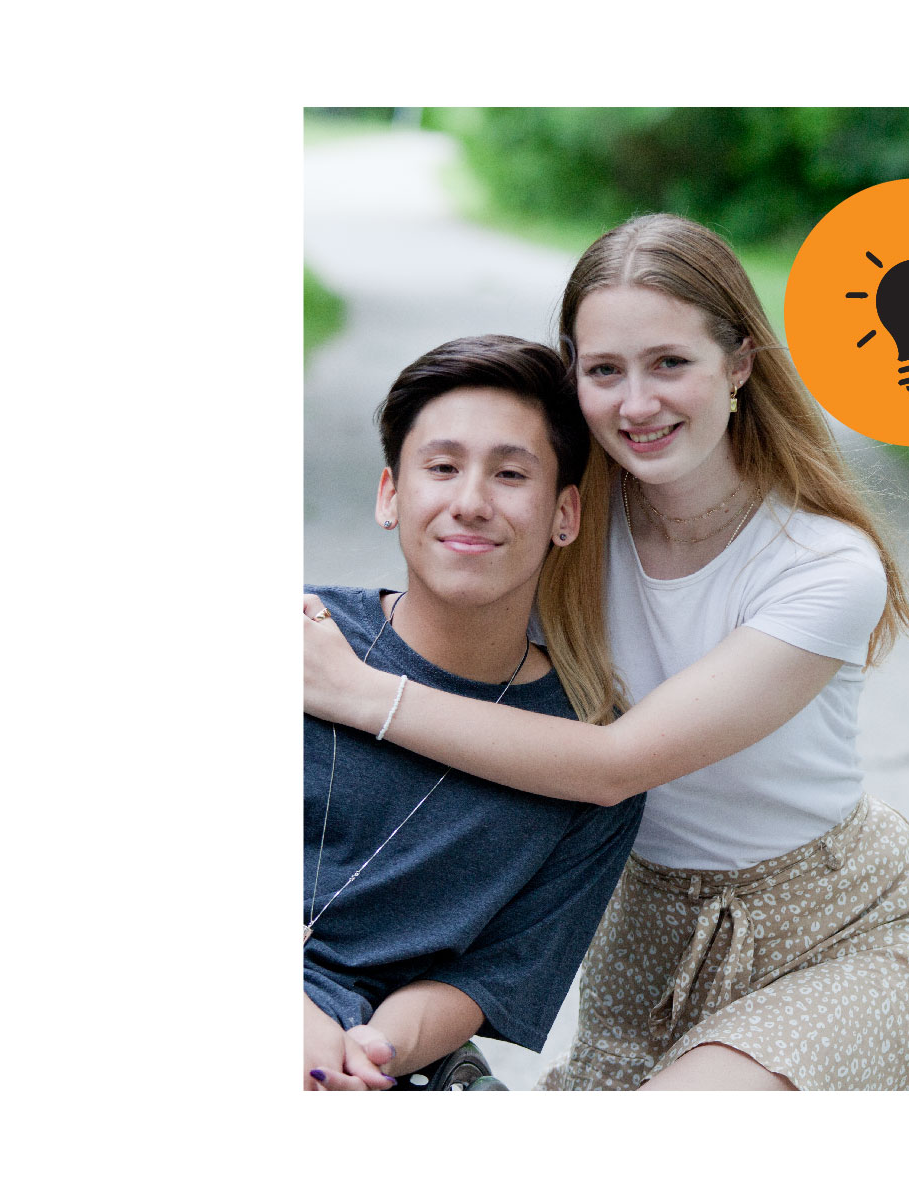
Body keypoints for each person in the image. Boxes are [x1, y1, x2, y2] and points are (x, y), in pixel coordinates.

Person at [304, 214, 909, 1091]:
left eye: (670, 363)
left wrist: (360, 693)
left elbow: (615, 763)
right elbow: (448, 598)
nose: (637, 403)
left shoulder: (823, 567)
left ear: (738, 363)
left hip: (832, 928)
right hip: (644, 930)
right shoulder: (564, 515)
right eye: (605, 370)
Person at [302, 334, 644, 1091]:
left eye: (511, 473)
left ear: (565, 513)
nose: (471, 501)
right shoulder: (305, 637)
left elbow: (489, 979)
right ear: (391, 493)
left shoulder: (585, 760)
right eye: (443, 466)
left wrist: (371, 1052)